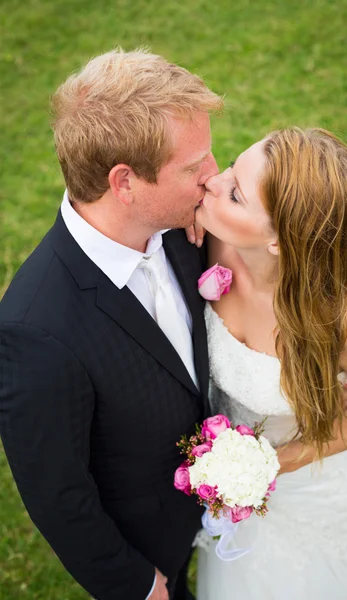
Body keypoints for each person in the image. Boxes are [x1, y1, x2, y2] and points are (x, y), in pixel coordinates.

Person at [0, 48, 223, 600]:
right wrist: (138, 585)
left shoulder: (181, 225)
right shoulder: (36, 330)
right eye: (195, 166)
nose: (215, 178)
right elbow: (58, 493)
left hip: (228, 510)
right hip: (152, 548)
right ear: (124, 182)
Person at [193, 128, 347, 599]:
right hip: (227, 467)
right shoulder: (213, 240)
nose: (211, 181)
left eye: (234, 193)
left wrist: (282, 461)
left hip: (312, 480)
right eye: (231, 166)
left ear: (278, 242)